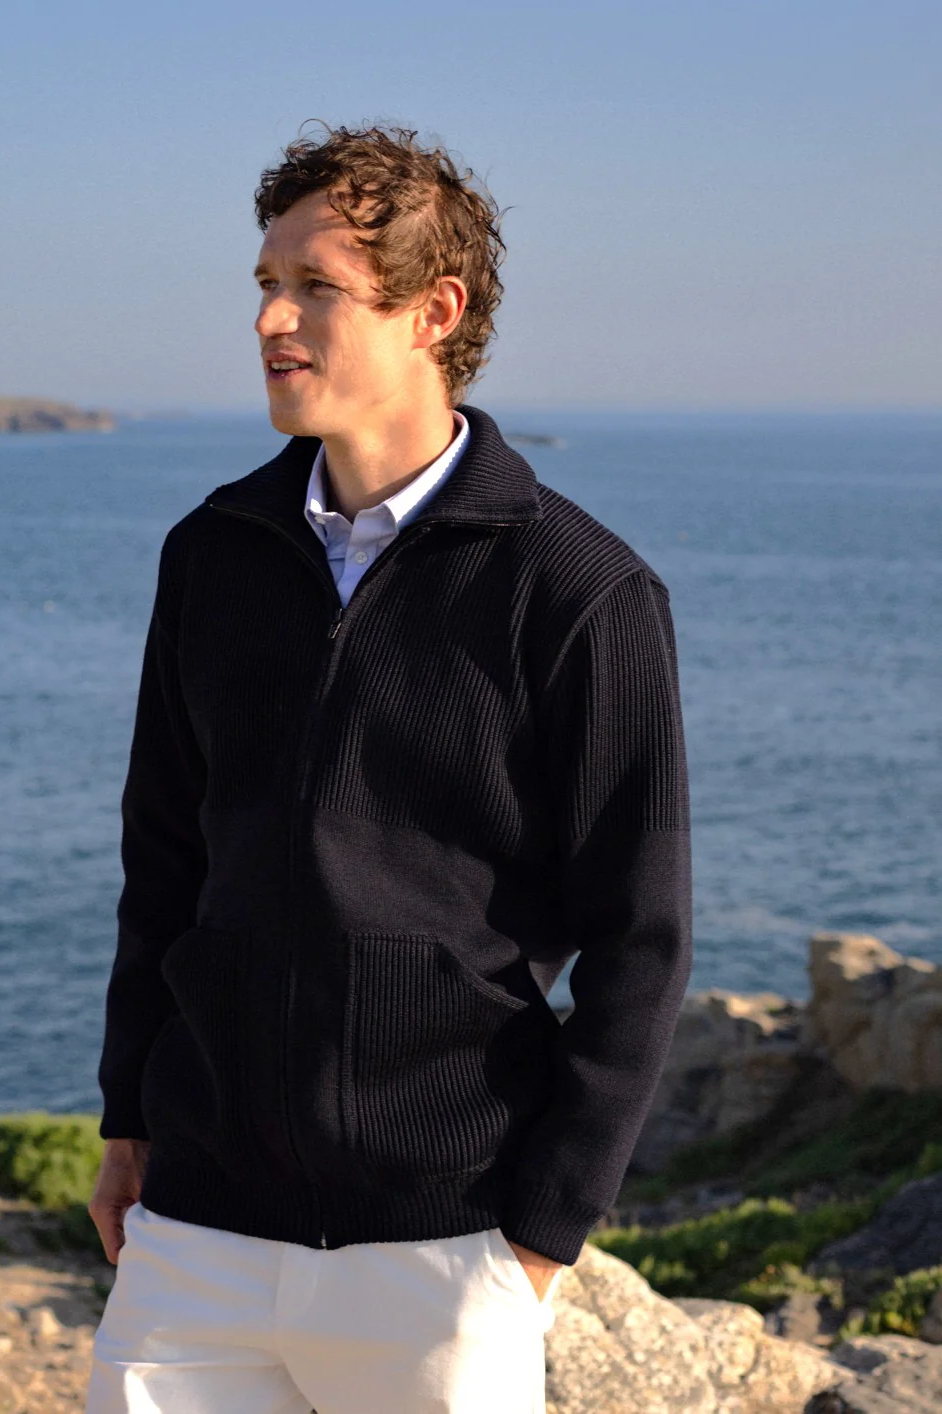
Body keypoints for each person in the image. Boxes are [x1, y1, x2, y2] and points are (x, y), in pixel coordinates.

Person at [84, 122, 693, 1414]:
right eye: (266, 282)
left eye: (317, 286)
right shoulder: (212, 554)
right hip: (194, 1236)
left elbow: (639, 936)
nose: (270, 319)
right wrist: (127, 1115)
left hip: (441, 1248)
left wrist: (540, 1235)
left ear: (434, 312)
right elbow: (164, 860)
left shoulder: (578, 591)